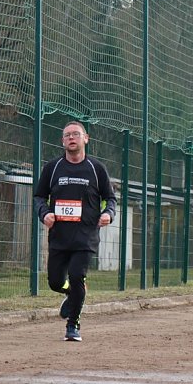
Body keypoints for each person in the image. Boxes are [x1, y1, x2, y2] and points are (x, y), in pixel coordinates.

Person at [34, 121, 116, 342]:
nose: (72, 138)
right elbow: (39, 197)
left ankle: (73, 326)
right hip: (59, 236)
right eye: (67, 135)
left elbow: (111, 198)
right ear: (63, 141)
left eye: (76, 134)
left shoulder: (96, 169)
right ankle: (72, 294)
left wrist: (108, 213)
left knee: (77, 275)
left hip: (85, 236)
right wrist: (44, 214)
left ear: (85, 138)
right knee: (54, 282)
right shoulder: (52, 168)